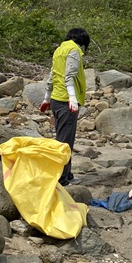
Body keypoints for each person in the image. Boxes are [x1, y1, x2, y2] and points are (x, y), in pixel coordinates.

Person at [39, 28, 90, 185]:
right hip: (66, 101)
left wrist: (47, 97)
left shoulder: (59, 50)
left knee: (63, 138)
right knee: (65, 141)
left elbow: (52, 75)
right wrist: (72, 98)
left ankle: (67, 174)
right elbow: (69, 76)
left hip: (56, 98)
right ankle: (61, 178)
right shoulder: (74, 51)